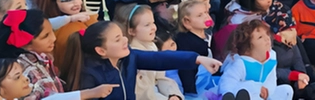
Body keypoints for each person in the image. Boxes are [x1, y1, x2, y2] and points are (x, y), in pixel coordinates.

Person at [69, 21, 220, 100]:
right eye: (117, 39)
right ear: (101, 51)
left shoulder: (129, 58)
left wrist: (198, 59)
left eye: (122, 35)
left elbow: (160, 58)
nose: (124, 40)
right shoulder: (89, 74)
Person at [114, 3, 182, 100]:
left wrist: (173, 94)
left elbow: (160, 78)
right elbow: (142, 93)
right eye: (147, 25)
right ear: (131, 31)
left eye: (153, 22)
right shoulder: (132, 56)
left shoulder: (152, 46)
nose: (154, 27)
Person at [218, 21, 294, 100]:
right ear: (247, 49)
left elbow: (271, 80)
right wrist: (227, 94)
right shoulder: (241, 63)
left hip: (262, 95)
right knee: (248, 90)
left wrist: (267, 90)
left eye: (267, 34)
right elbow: (228, 81)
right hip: (242, 94)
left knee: (287, 90)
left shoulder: (272, 57)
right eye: (260, 37)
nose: (267, 38)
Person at [34, 0, 97, 66]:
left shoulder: (89, 17)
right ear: (54, 2)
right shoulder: (52, 25)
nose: (75, 3)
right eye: (68, 0)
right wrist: (71, 19)